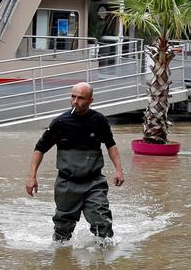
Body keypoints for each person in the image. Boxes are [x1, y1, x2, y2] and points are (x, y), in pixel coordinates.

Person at [26, 82, 125, 241]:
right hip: (67, 183)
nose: (75, 101)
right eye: (73, 97)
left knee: (102, 222)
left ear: (90, 100)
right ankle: (62, 259)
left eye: (80, 98)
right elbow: (40, 149)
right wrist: (32, 177)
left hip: (94, 182)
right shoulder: (60, 122)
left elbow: (110, 145)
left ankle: (104, 261)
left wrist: (119, 170)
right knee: (62, 230)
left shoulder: (98, 120)